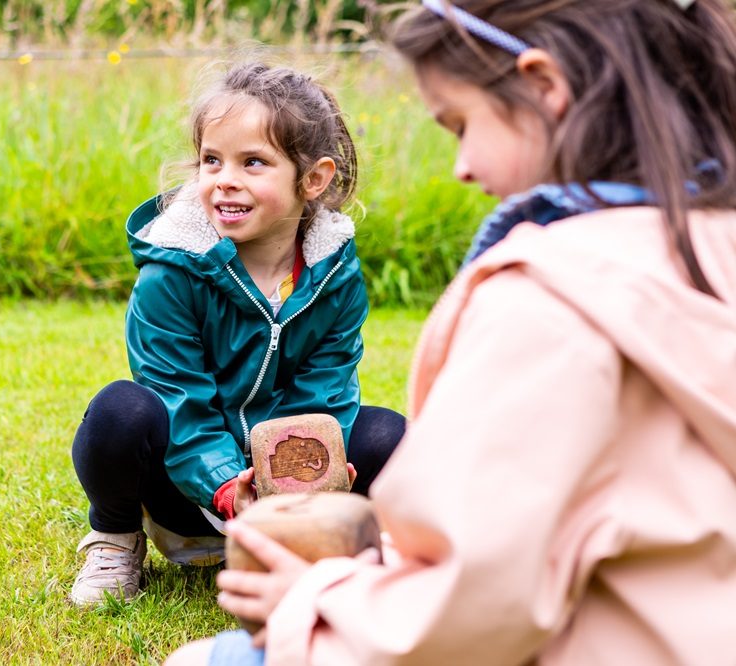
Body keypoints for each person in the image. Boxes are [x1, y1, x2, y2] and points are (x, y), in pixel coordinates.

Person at [165, 0, 736, 663]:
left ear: (545, 88)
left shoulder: (549, 302)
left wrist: (320, 593)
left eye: (462, 123)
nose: (461, 165)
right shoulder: (714, 249)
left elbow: (470, 603)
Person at [69, 61, 407, 606]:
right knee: (122, 411)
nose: (224, 178)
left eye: (253, 162)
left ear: (313, 179)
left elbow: (326, 390)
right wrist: (229, 486)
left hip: (280, 501)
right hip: (185, 488)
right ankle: (115, 537)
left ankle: (329, 544)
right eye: (211, 160)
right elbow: (179, 398)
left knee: (388, 435)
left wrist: (307, 479)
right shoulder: (172, 273)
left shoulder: (335, 276)